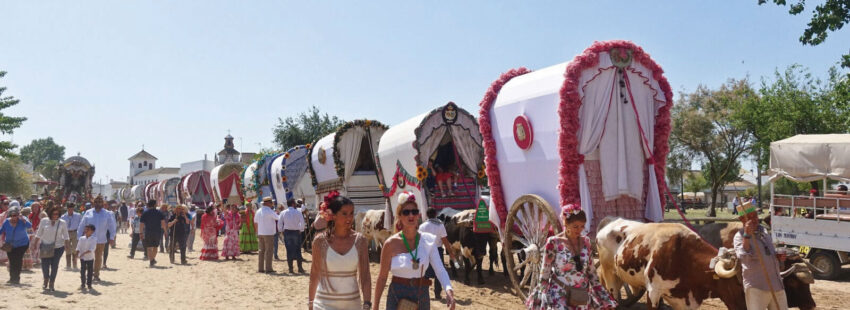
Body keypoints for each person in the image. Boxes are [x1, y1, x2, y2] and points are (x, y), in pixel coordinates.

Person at [373, 191, 455, 310]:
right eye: (406, 212)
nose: (411, 215)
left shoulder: (428, 240)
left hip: (421, 294)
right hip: (397, 295)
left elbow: (440, 269)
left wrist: (448, 289)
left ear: (418, 215)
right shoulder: (390, 244)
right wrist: (375, 306)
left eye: (414, 212)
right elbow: (382, 277)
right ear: (399, 216)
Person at [526, 204, 617, 309]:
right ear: (566, 223)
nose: (579, 230)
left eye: (582, 226)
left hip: (581, 296)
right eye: (575, 226)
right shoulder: (553, 242)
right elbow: (545, 272)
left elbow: (591, 272)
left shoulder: (586, 242)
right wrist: (541, 297)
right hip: (559, 295)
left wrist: (603, 296)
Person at [308, 192, 371, 310]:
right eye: (344, 213)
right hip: (323, 304)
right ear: (334, 215)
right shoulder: (320, 241)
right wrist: (310, 303)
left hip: (352, 305)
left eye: (351, 213)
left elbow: (365, 276)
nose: (349, 218)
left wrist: (367, 303)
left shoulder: (360, 241)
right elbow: (314, 274)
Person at [734, 203, 788, 310]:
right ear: (742, 219)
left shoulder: (764, 232)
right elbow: (744, 257)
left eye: (755, 216)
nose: (754, 219)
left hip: (776, 283)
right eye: (749, 217)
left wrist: (777, 257)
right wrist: (747, 235)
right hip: (757, 287)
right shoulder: (739, 236)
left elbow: (770, 253)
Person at [419, 207, 457, 300]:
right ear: (436, 214)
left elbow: (419, 241)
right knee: (438, 272)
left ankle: (424, 294)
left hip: (426, 251)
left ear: (427, 215)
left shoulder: (422, 226)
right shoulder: (440, 225)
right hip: (438, 250)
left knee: (425, 272)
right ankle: (437, 294)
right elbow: (445, 241)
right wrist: (451, 253)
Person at [77, 196, 116, 281]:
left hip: (101, 240)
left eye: (99, 202)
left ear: (102, 203)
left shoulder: (107, 214)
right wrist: (79, 237)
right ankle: (88, 273)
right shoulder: (88, 213)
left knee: (98, 258)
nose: (98, 204)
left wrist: (112, 237)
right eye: (96, 202)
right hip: (88, 240)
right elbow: (81, 225)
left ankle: (96, 275)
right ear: (93, 203)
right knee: (88, 257)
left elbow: (112, 227)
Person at [34, 207, 70, 291]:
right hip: (45, 246)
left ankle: (52, 282)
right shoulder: (44, 221)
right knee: (45, 265)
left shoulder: (62, 223)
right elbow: (39, 233)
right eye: (54, 214)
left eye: (57, 214)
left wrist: (67, 245)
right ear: (50, 214)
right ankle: (46, 279)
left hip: (58, 247)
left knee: (54, 265)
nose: (55, 215)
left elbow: (66, 235)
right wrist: (35, 243)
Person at [0, 207, 32, 285]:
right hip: (10, 245)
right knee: (12, 261)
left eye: (15, 215)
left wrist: (23, 219)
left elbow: (29, 226)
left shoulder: (22, 220)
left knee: (17, 260)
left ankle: (16, 278)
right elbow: (1, 230)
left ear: (18, 214)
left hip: (22, 244)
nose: (13, 217)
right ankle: (12, 278)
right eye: (12, 215)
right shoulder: (6, 222)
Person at [279, 198, 306, 273]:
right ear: (293, 204)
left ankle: (290, 269)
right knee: (298, 250)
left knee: (289, 251)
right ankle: (300, 268)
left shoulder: (283, 212)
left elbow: (280, 223)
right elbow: (302, 222)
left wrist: (281, 231)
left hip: (287, 232)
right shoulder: (298, 212)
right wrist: (301, 229)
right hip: (296, 232)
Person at [254, 196, 279, 273]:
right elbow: (277, 218)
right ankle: (268, 268)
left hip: (260, 232)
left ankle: (260, 268)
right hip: (268, 233)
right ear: (268, 203)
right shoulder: (269, 211)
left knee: (261, 251)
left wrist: (257, 231)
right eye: (271, 202)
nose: (272, 204)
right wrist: (278, 212)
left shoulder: (258, 211)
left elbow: (255, 222)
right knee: (269, 251)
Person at [139, 199, 166, 267]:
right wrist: (165, 231)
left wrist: (141, 233)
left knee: (149, 247)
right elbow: (163, 223)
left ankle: (151, 260)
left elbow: (141, 224)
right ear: (154, 205)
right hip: (157, 232)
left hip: (148, 232)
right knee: (155, 247)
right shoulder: (159, 212)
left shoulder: (145, 213)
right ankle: (152, 259)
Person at [61, 203, 83, 270]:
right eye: (69, 209)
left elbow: (81, 225)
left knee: (75, 249)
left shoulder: (78, 215)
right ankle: (68, 265)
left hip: (75, 232)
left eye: (72, 209)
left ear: (73, 209)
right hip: (66, 233)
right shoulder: (63, 217)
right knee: (67, 249)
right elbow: (62, 227)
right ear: (67, 208)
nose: (70, 210)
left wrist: (80, 234)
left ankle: (75, 265)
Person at [76, 224, 97, 290]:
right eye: (85, 229)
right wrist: (77, 254)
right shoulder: (81, 238)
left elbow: (92, 249)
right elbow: (78, 247)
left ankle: (89, 284)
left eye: (88, 229)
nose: (86, 230)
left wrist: (83, 253)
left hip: (90, 258)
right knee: (82, 271)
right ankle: (82, 284)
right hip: (82, 258)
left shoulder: (94, 239)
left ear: (92, 231)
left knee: (90, 272)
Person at [0, 199, 9, 265]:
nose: (6, 205)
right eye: (4, 204)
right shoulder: (2, 213)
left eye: (7, 204)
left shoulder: (10, 213)